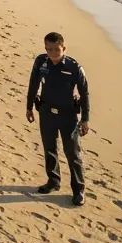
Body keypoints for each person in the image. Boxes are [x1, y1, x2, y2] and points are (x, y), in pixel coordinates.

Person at [26, 32, 90, 206]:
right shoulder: (41, 62)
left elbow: (84, 94)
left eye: (56, 49)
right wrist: (29, 107)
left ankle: (79, 190)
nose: (52, 53)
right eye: (48, 49)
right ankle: (53, 181)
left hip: (68, 116)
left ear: (64, 48)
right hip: (46, 113)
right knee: (49, 149)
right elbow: (33, 84)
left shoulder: (74, 67)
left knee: (73, 154)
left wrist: (85, 119)